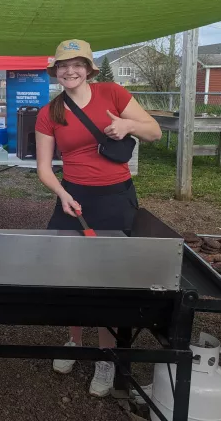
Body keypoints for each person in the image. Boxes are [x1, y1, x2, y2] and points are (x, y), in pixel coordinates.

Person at [35, 39, 162, 397]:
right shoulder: (51, 112)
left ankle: (106, 355)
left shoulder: (113, 93)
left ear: (89, 69)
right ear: (56, 71)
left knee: (110, 280)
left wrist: (127, 126)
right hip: (73, 197)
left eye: (77, 64)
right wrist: (62, 195)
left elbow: (153, 131)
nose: (70, 71)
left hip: (116, 198)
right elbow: (44, 168)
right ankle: (75, 341)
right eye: (63, 65)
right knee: (67, 275)